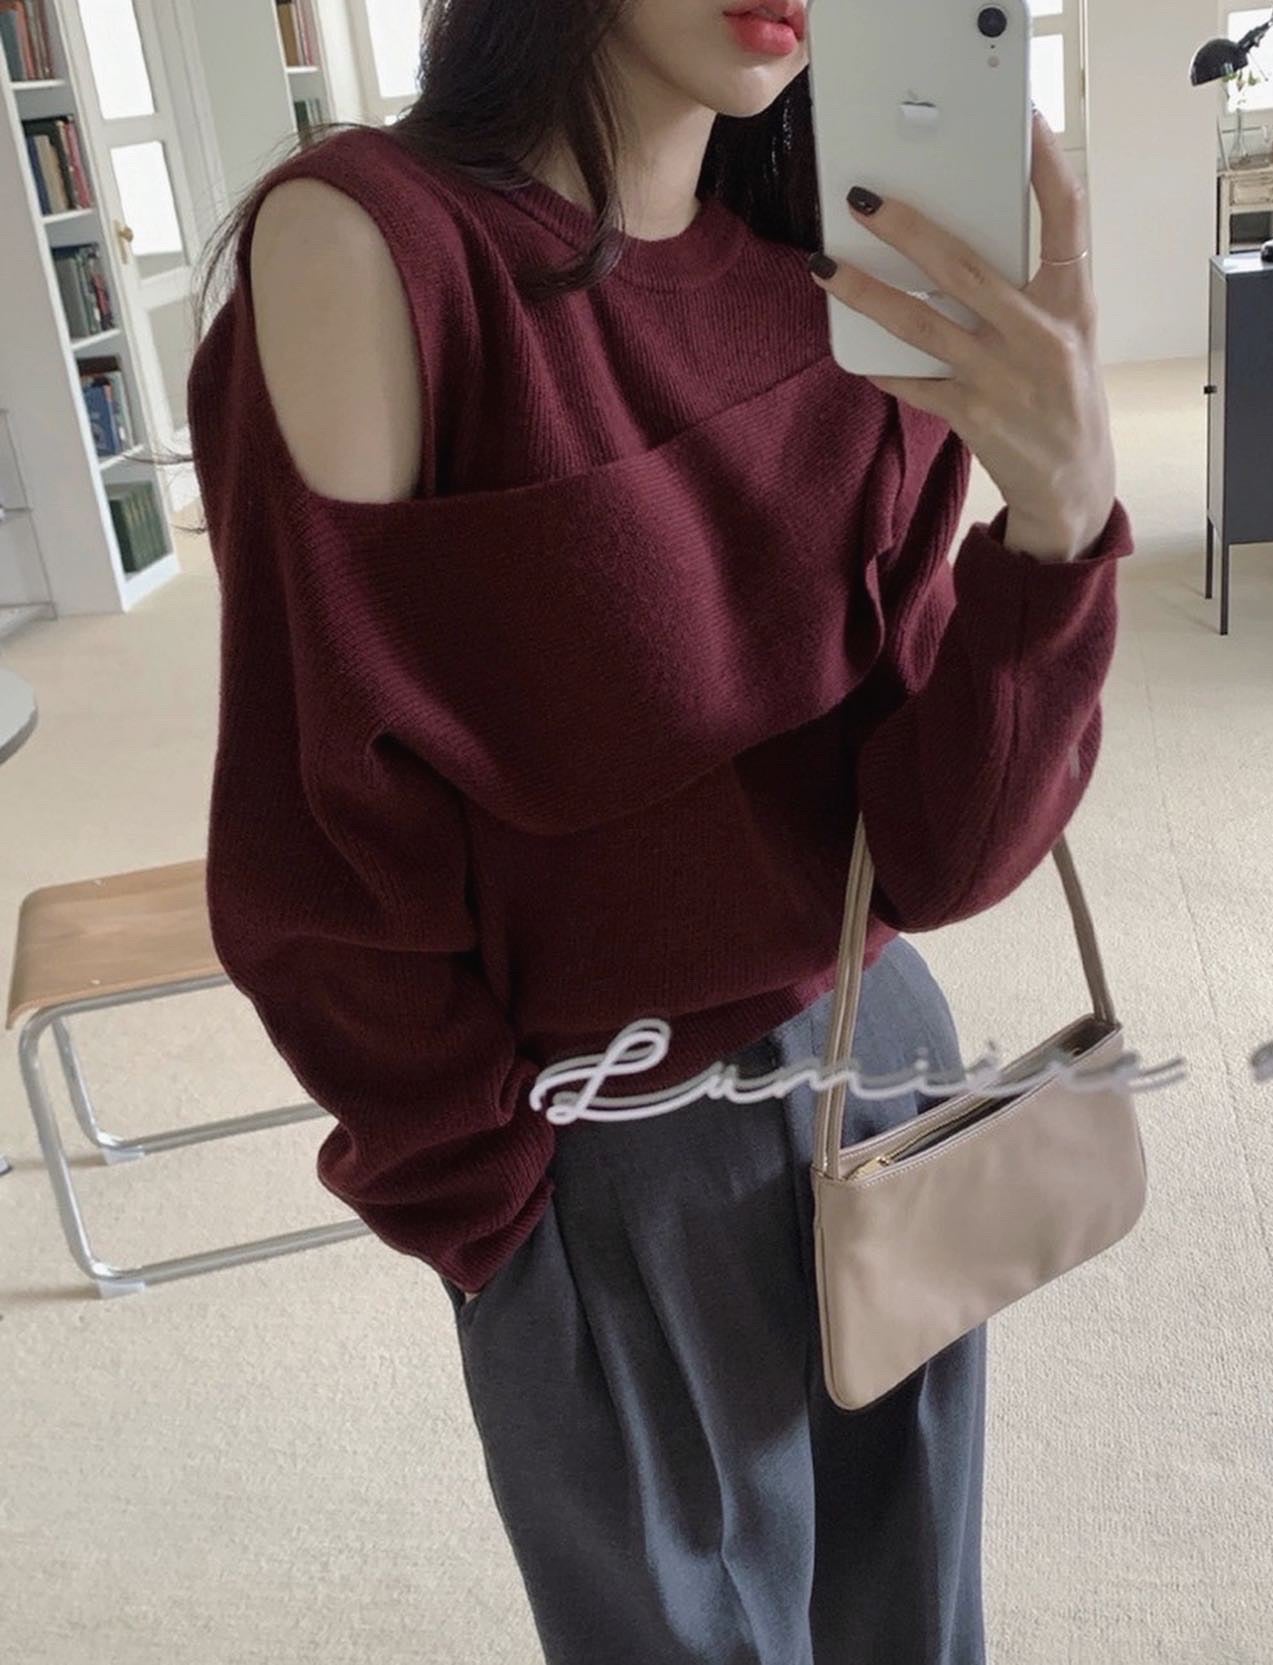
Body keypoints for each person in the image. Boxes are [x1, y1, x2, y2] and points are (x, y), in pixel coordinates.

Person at [183, 1, 1132, 1660]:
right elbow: (320, 842)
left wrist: (1058, 523)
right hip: (603, 1159)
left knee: (918, 1624)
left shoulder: (837, 288)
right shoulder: (379, 246)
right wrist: (495, 1217)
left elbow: (940, 853)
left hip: (884, 1081)